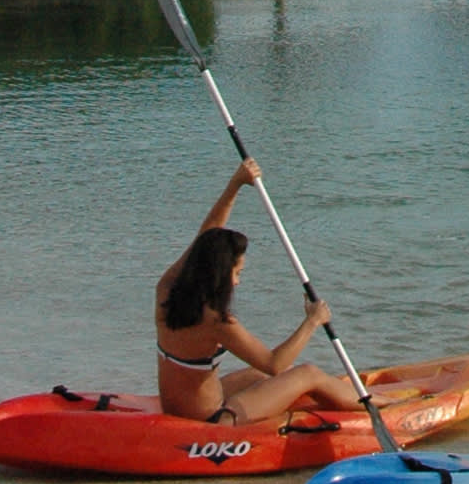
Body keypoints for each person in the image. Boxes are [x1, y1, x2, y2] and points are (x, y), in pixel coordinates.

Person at [153, 161, 361, 425]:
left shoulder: (166, 290)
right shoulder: (217, 321)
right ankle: (378, 404)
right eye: (237, 273)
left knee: (258, 377)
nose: (237, 282)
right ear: (218, 273)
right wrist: (312, 321)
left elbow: (206, 236)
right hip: (213, 419)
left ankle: (337, 397)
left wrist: (236, 184)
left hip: (176, 407)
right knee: (307, 373)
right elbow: (275, 363)